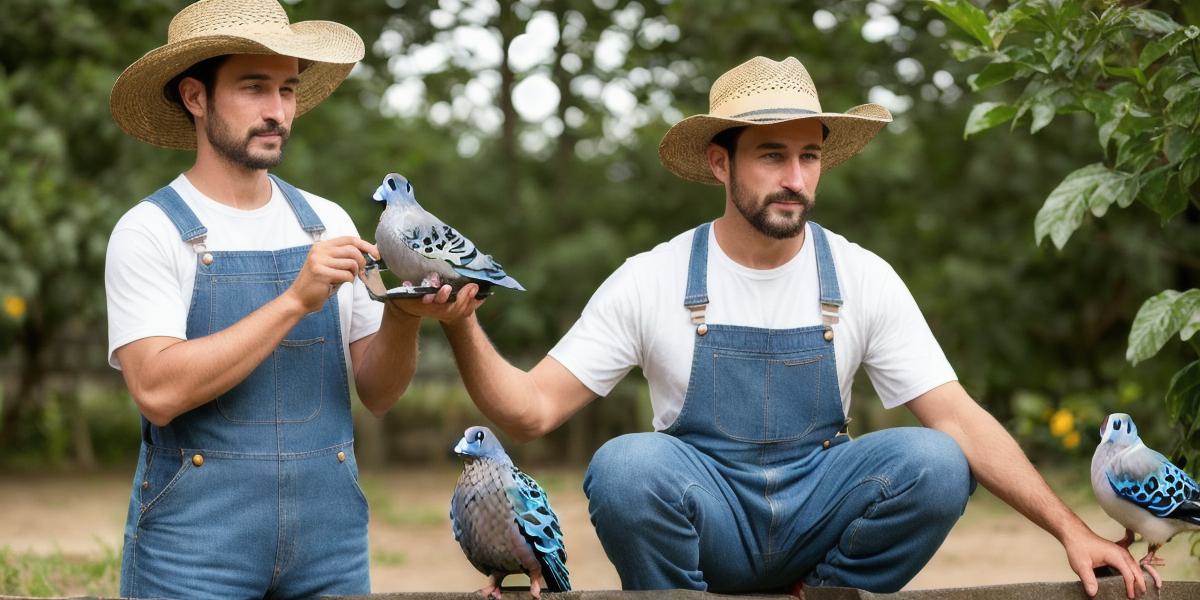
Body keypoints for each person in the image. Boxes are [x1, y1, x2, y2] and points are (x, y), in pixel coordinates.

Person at [434, 57, 1148, 598]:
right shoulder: (651, 277)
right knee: (626, 467)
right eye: (773, 155)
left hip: (818, 509)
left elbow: (957, 417)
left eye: (809, 156)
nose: (796, 179)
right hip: (705, 510)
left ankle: (825, 598)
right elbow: (528, 414)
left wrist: (1073, 531)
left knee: (934, 461)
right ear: (722, 162)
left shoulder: (862, 275)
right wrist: (462, 326)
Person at [105, 1, 470, 597]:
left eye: (287, 90)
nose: (276, 111)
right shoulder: (150, 230)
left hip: (331, 545)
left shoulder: (326, 220)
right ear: (196, 97)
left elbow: (377, 393)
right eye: (253, 88)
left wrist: (404, 317)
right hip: (193, 548)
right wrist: (295, 299)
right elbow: (158, 392)